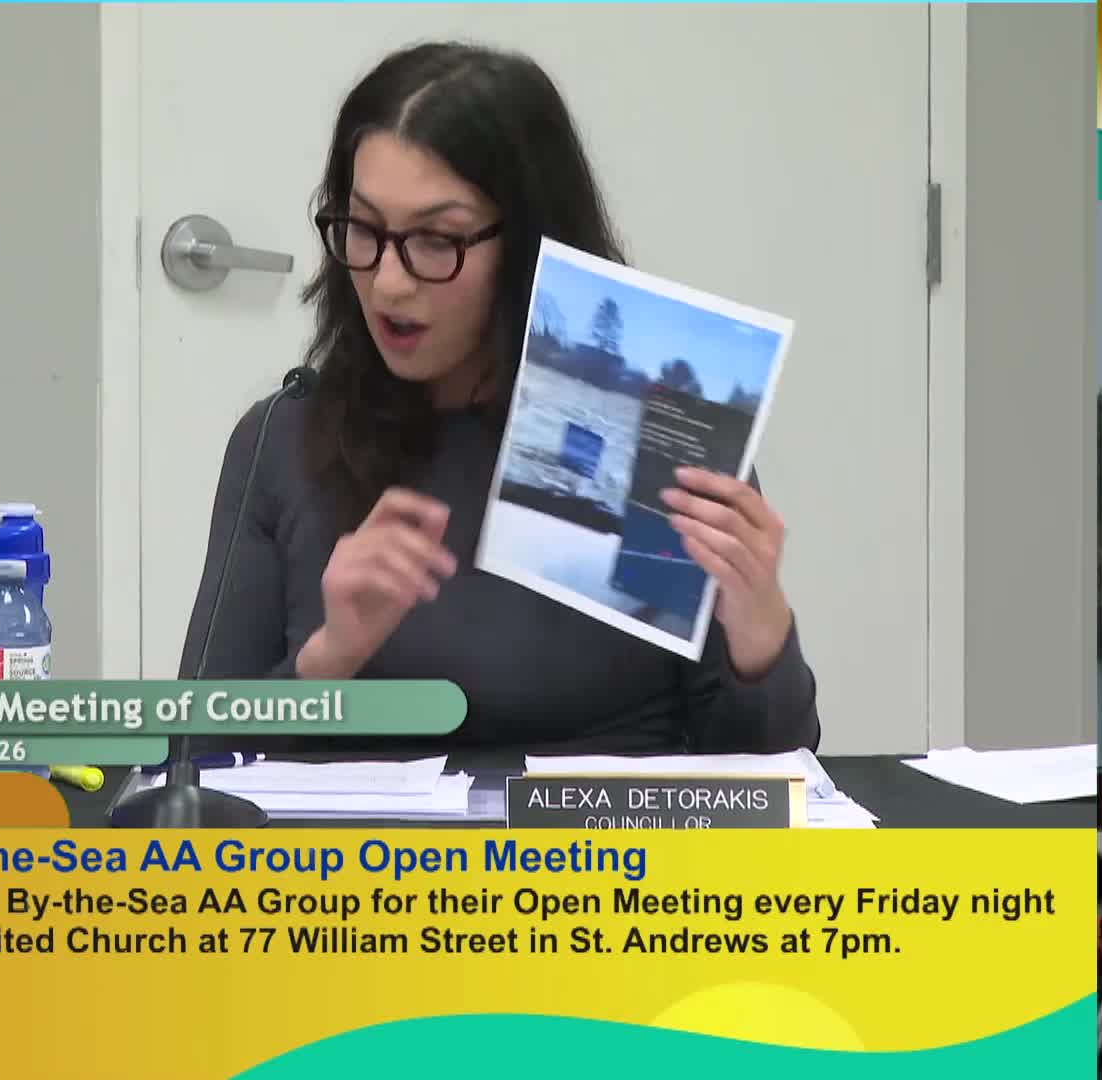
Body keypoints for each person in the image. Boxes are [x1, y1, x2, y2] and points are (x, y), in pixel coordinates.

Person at [181, 41, 818, 755]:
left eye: (437, 239)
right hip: (362, 829)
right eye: (363, 229)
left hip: (602, 825)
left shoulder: (657, 437)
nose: (389, 281)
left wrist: (759, 634)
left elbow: (770, 771)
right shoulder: (283, 439)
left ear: (526, 243)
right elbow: (192, 761)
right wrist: (329, 660)